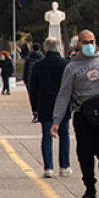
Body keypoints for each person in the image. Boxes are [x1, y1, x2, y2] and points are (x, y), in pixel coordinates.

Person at [52, 30, 99, 198]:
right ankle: (90, 186)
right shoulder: (71, 67)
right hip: (82, 114)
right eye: (85, 42)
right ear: (78, 44)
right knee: (85, 153)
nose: (89, 45)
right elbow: (64, 95)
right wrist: (56, 121)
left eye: (92, 41)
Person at [29, 38, 72, 179]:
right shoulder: (66, 65)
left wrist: (35, 108)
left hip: (45, 105)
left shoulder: (38, 66)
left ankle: (48, 168)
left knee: (47, 136)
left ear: (45, 48)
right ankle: (64, 166)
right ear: (59, 48)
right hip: (63, 105)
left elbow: (33, 88)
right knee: (64, 135)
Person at [24, 42, 45, 122]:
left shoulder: (28, 59)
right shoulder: (43, 58)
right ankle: (41, 112)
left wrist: (25, 80)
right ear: (39, 49)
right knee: (41, 97)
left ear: (32, 49)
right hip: (40, 80)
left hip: (30, 80)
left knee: (32, 97)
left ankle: (35, 113)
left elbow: (26, 71)